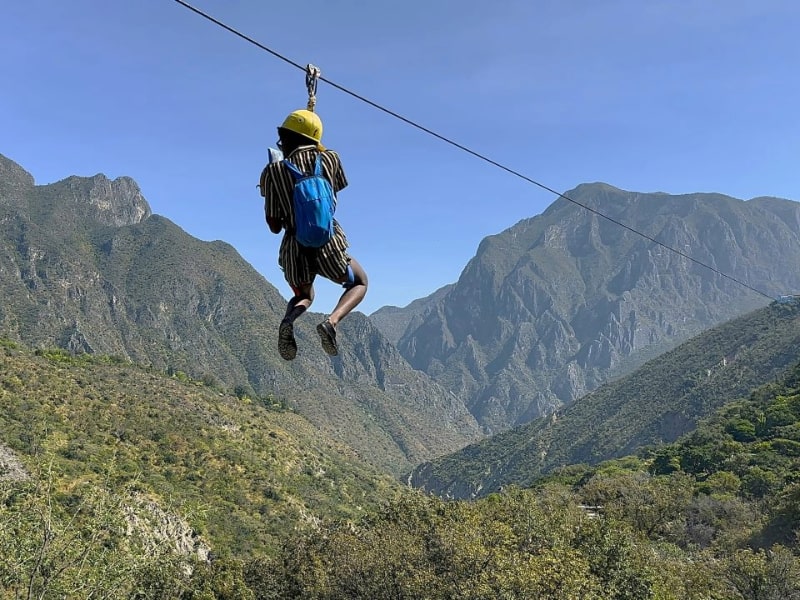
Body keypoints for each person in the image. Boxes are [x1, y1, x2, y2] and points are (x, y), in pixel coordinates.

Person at [259, 109, 368, 360]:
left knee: (304, 295)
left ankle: (289, 320)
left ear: (286, 138)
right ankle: (331, 322)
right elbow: (333, 196)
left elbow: (273, 225)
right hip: (328, 243)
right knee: (360, 282)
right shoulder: (330, 159)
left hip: (294, 246)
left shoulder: (273, 172)